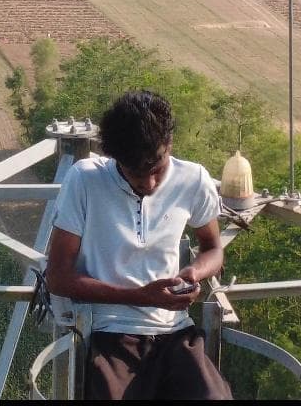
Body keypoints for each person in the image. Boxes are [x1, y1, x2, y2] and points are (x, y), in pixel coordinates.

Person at [46, 90, 233, 400]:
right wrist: (140, 296)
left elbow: (213, 248)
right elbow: (58, 277)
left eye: (156, 169)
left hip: (174, 329)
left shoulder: (193, 179)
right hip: (109, 331)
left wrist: (194, 273)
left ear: (170, 146)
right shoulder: (85, 180)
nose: (148, 184)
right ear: (114, 158)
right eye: (134, 172)